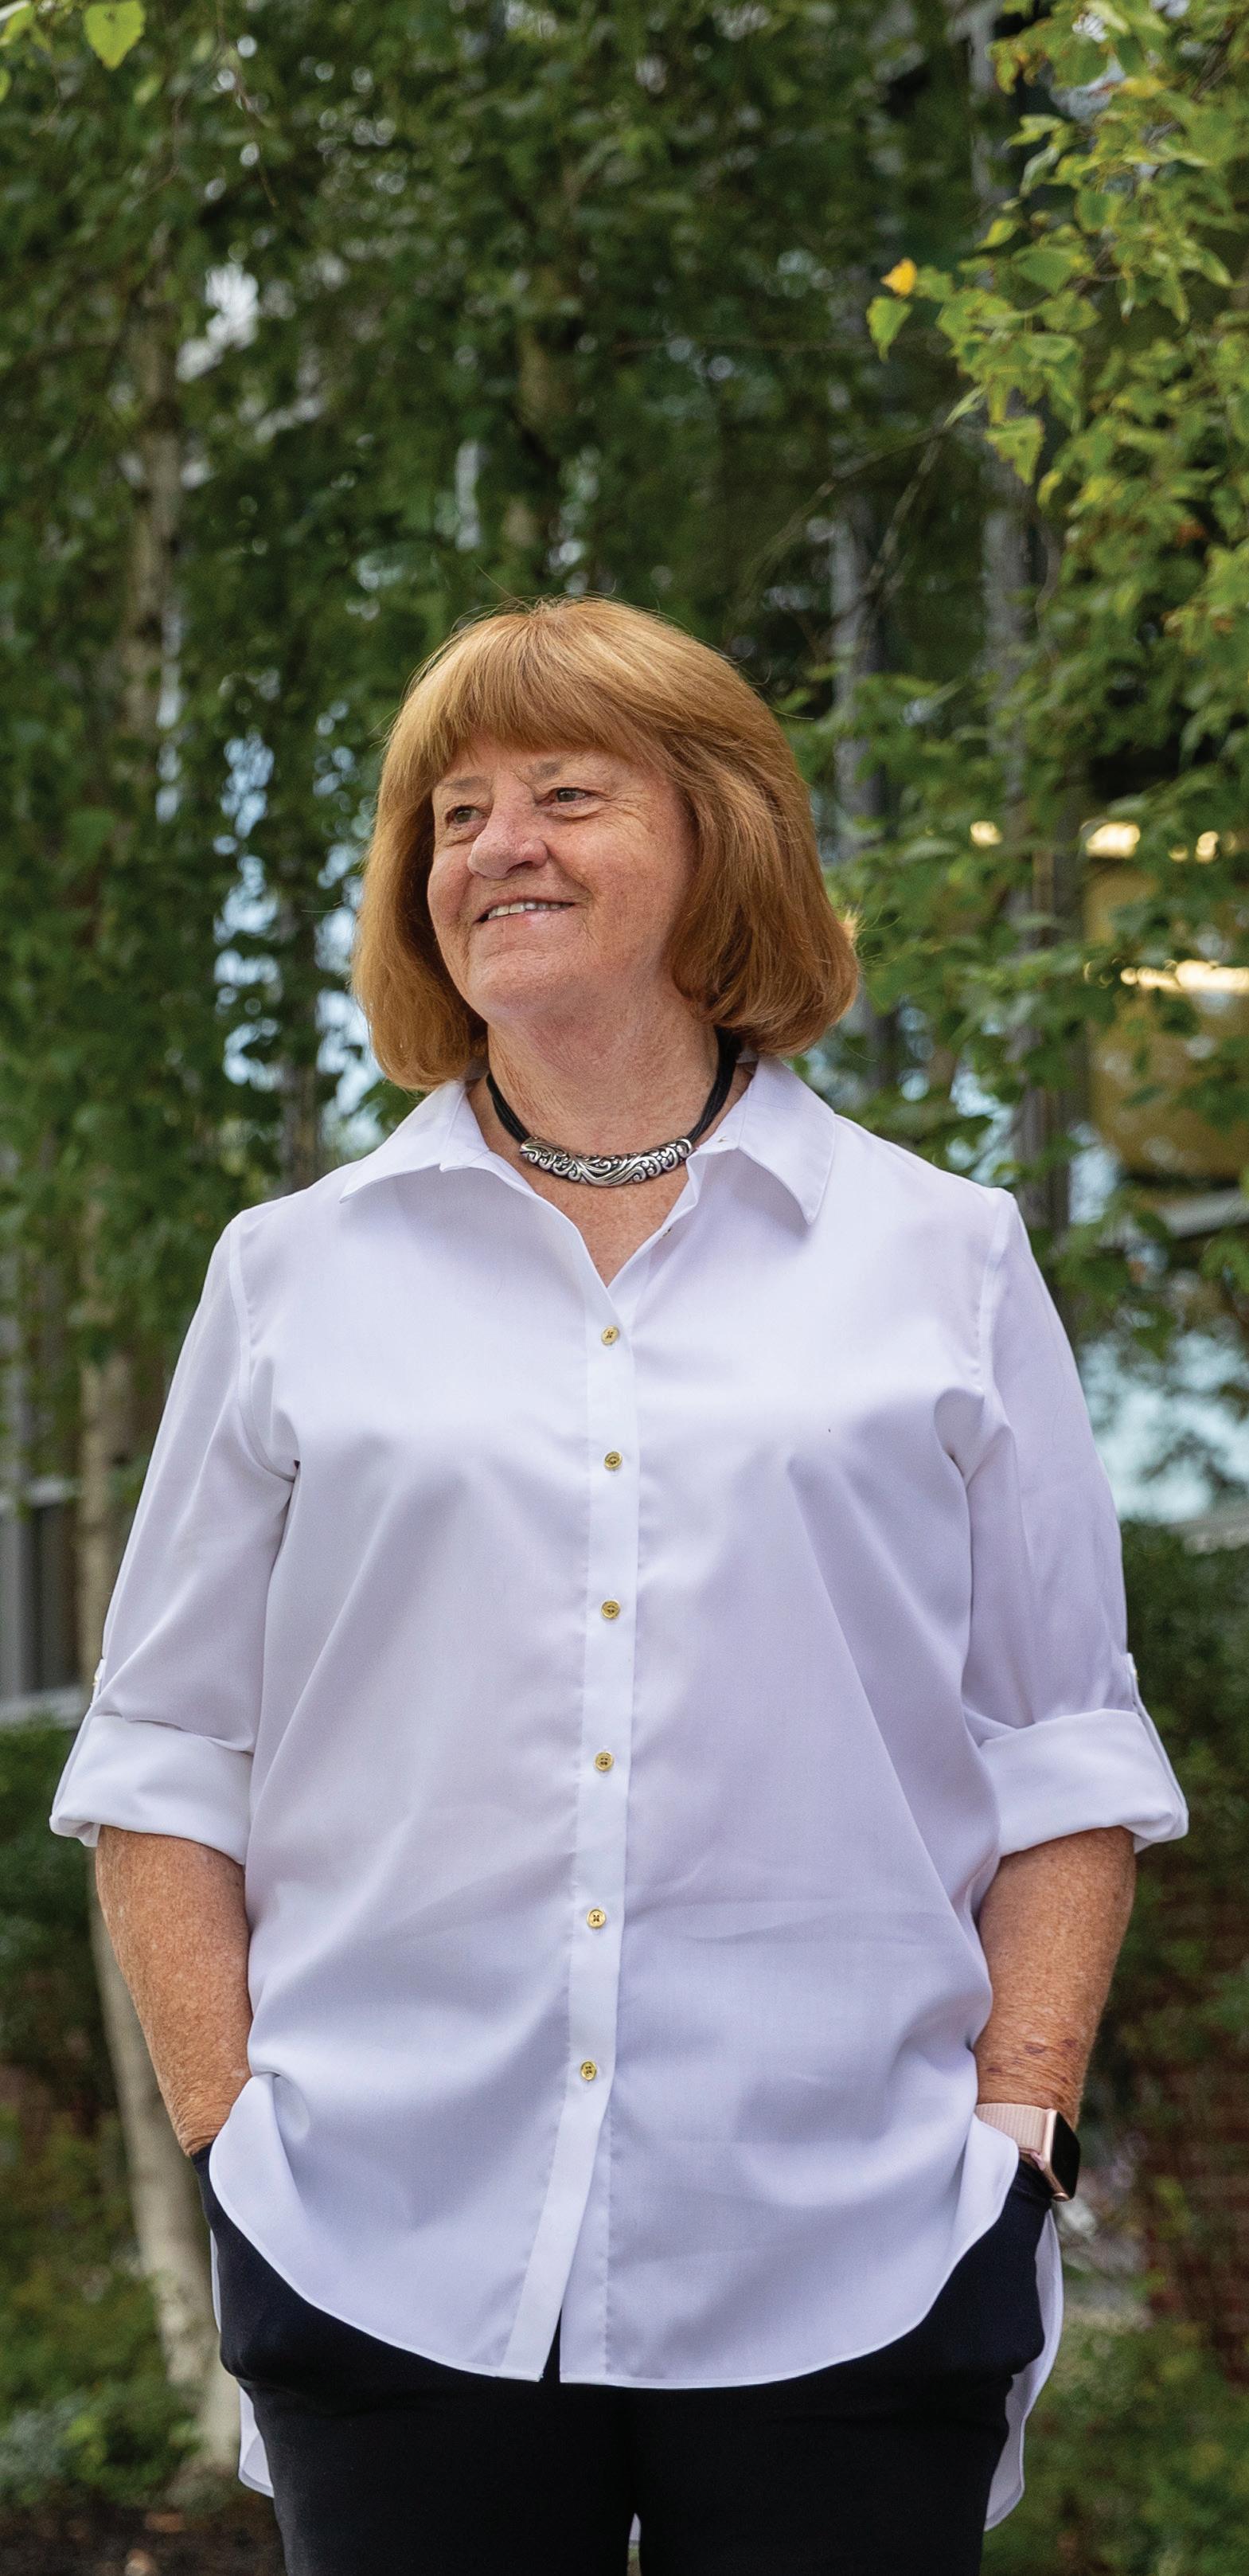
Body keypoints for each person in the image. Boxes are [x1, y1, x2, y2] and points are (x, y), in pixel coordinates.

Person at [51, 596, 1187, 2576]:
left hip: (857, 2242)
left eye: (567, 794)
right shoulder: (291, 1274)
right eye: (454, 813)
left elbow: (1061, 1747)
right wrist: (234, 2138)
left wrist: (1017, 2125)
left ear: (716, 839)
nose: (498, 845)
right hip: (377, 2241)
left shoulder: (942, 1257)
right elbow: (164, 1753)